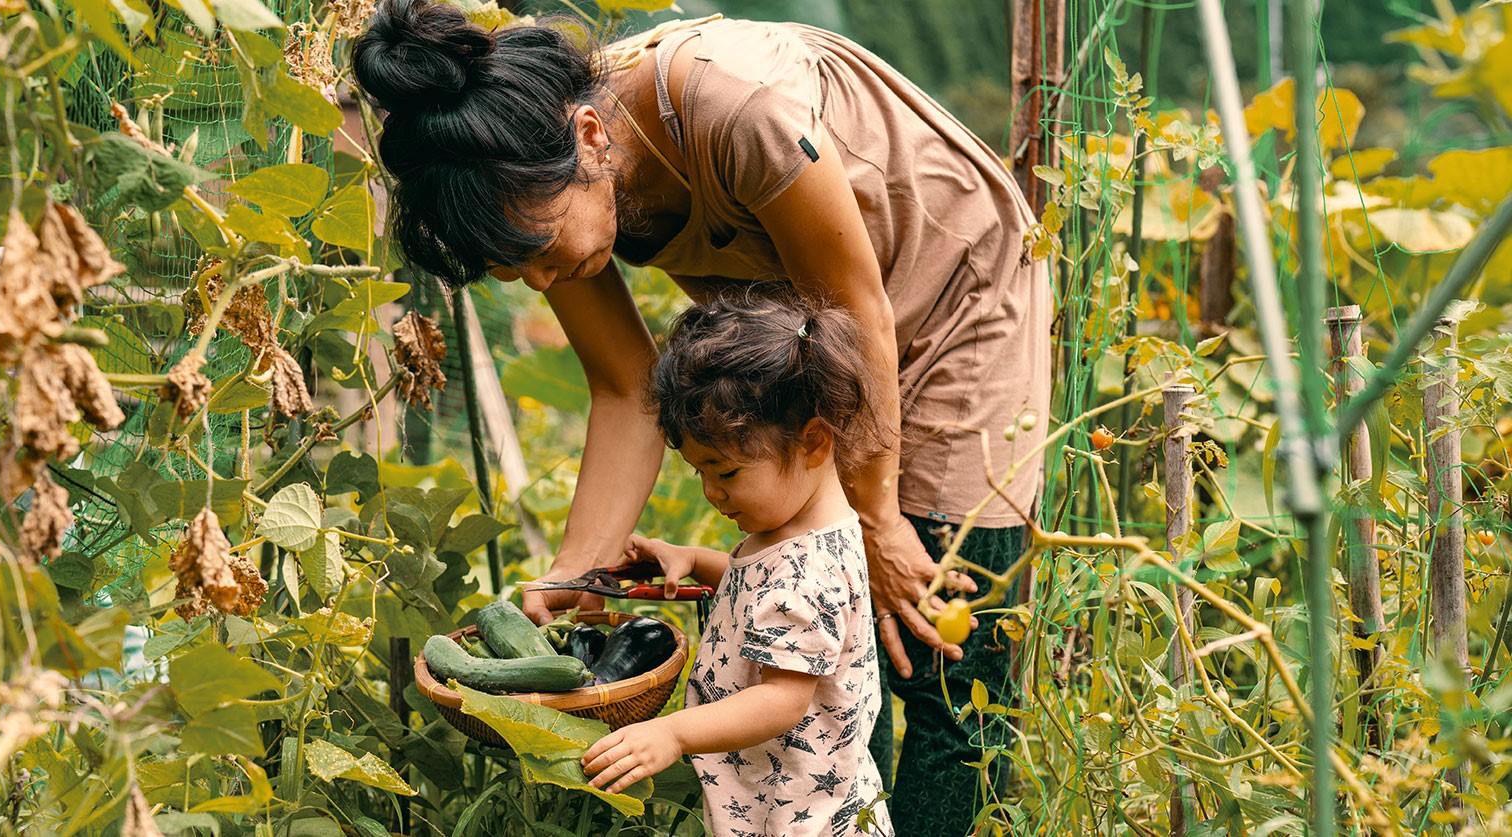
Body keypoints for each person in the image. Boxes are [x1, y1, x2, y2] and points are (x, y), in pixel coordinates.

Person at [352, 2, 1051, 833]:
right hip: (810, 334)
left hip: (950, 292)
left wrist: (880, 513)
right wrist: (573, 572)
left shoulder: (736, 106)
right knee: (839, 622)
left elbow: (859, 307)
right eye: (516, 272)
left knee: (941, 663)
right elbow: (623, 385)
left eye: (541, 252)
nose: (543, 283)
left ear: (587, 135)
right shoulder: (547, 177)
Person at [578, 294, 892, 837]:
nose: (710, 493)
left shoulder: (809, 566)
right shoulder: (794, 534)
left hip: (803, 822)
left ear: (814, 442)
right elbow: (769, 594)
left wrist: (673, 734)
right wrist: (694, 561)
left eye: (725, 472)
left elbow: (781, 699)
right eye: (699, 471)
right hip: (781, 800)